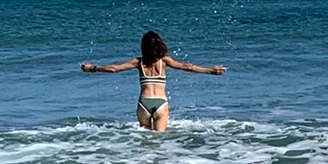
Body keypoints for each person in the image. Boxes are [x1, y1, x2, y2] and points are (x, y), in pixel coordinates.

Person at [80, 30, 225, 131]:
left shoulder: (139, 62)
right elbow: (187, 67)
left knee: (146, 140)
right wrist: (211, 71)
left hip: (144, 103)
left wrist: (92, 68)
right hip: (161, 103)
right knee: (159, 142)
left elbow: (114, 68)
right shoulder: (164, 61)